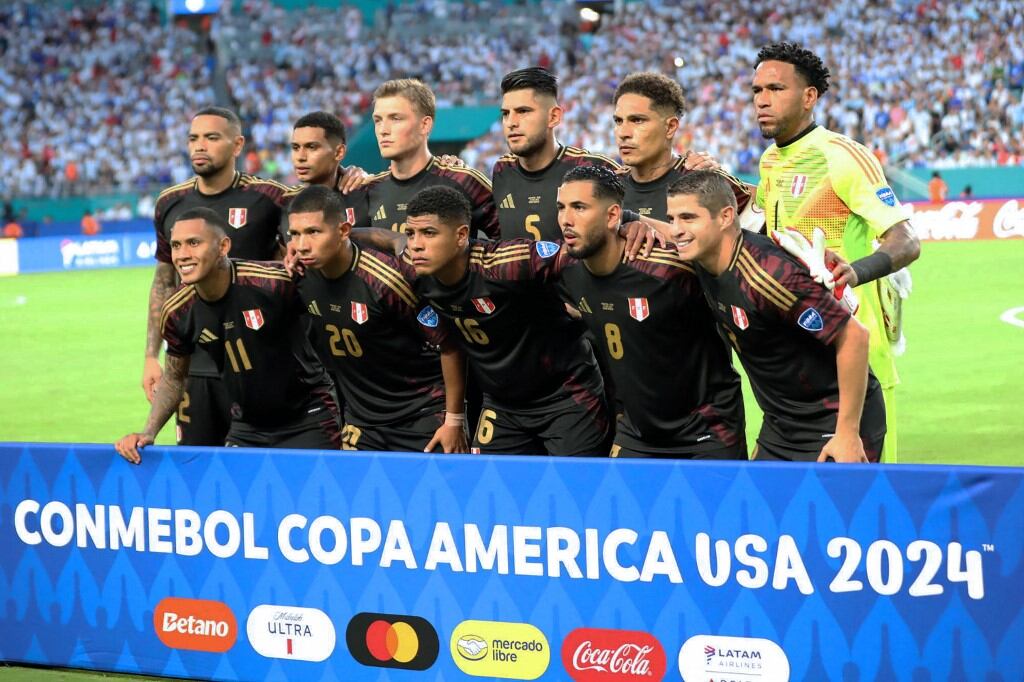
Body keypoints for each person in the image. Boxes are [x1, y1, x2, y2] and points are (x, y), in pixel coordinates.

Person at [751, 42, 920, 462]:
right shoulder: (769, 161)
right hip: (797, 345)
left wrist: (854, 273)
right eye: (756, 90)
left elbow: (905, 240)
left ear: (809, 97)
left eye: (776, 88)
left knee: (872, 493)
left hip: (856, 345)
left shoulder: (842, 156)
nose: (762, 100)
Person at [667, 171, 886, 463]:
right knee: (760, 507)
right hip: (781, 426)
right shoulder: (704, 258)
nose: (676, 230)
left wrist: (846, 433)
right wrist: (631, 220)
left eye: (688, 218)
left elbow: (854, 337)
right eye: (672, 219)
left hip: (833, 421)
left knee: (830, 510)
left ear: (725, 217)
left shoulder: (768, 275)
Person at [115, 208, 341, 463]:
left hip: (309, 418)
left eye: (194, 243)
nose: (183, 255)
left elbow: (333, 307)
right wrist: (148, 432)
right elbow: (175, 378)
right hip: (248, 427)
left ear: (223, 246)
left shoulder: (274, 283)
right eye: (176, 246)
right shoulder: (177, 310)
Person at [554, 166, 746, 458]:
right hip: (637, 434)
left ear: (612, 216)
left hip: (707, 431)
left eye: (579, 208)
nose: (566, 220)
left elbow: (732, 266)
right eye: (561, 208)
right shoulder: (567, 270)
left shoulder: (671, 268)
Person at [402, 186, 610, 456]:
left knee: (575, 493)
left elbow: (573, 252)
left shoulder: (504, 264)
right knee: (490, 492)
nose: (416, 244)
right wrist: (454, 419)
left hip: (565, 394)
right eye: (411, 233)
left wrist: (628, 222)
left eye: (428, 233)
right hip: (502, 405)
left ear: (462, 235)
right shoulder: (413, 269)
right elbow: (450, 344)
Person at [142, 107, 298, 447]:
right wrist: (151, 356)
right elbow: (164, 282)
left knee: (254, 467)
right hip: (193, 363)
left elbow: (317, 225)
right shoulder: (169, 202)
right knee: (194, 463)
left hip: (258, 361)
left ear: (237, 144)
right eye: (194, 138)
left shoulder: (270, 197)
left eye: (212, 138)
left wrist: (349, 174)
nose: (200, 146)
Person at [286, 185, 468, 453]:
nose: (302, 245)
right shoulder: (298, 277)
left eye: (313, 232)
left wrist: (454, 420)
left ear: (344, 230)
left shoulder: (388, 280)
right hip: (362, 423)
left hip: (420, 415)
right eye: (295, 234)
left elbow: (449, 344)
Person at [613, 71, 761, 229]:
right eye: (618, 121)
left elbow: (772, 226)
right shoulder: (609, 188)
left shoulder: (702, 179)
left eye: (637, 120)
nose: (623, 133)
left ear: (670, 127)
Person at [491, 67, 619, 241]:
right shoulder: (502, 170)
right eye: (506, 114)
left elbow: (636, 219)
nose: (511, 123)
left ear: (554, 117)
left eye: (523, 111)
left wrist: (636, 224)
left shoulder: (595, 168)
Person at [363, 79, 499, 238]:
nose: (383, 130)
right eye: (378, 120)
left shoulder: (463, 180)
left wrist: (468, 260)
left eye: (395, 118)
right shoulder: (368, 189)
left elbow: (510, 243)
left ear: (425, 125)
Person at [290, 111, 371, 226]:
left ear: (339, 152)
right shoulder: (282, 203)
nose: (300, 157)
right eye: (296, 147)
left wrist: (366, 179)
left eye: (312, 147)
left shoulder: (365, 195)